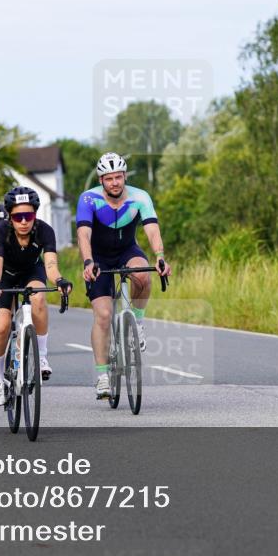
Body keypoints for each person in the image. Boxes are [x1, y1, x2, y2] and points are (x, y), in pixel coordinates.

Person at [77, 152, 171, 399]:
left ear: (125, 176)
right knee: (103, 315)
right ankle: (102, 376)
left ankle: (137, 323)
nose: (115, 183)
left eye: (118, 177)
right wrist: (88, 261)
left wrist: (160, 256)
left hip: (127, 250)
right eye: (109, 179)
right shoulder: (88, 199)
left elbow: (152, 229)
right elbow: (84, 234)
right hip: (98, 257)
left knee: (143, 275)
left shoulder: (140, 197)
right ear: (101, 180)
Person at [0, 186, 72, 406]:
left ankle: (41, 356)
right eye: (18, 217)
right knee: (1, 327)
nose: (24, 221)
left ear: (35, 215)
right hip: (3, 275)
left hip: (31, 271)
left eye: (29, 216)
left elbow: (50, 265)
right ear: (10, 217)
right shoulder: (1, 231)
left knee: (38, 298)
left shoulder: (45, 231)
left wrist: (60, 280)